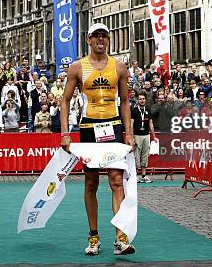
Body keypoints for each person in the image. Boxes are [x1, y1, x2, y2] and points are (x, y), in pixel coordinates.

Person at [60, 23, 135, 256]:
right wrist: (65, 133)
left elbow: (124, 101)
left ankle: (121, 238)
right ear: (89, 40)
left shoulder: (119, 66)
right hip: (89, 127)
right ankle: (94, 236)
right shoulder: (77, 67)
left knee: (116, 181)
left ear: (108, 40)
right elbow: (65, 100)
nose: (101, 39)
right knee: (91, 182)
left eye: (105, 35)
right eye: (96, 36)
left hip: (112, 126)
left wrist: (129, 131)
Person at [131, 92, 156, 183]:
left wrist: (154, 136)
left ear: (145, 100)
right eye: (140, 99)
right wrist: (131, 137)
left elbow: (151, 123)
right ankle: (135, 176)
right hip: (137, 135)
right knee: (136, 156)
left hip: (146, 135)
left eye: (143, 99)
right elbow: (131, 124)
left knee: (145, 155)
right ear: (137, 100)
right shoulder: (134, 110)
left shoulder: (148, 110)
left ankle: (143, 176)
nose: (142, 100)